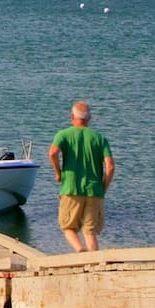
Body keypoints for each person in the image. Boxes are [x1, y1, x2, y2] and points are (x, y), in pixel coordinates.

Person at [49, 101, 115, 252]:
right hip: (94, 190)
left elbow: (53, 152)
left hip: (71, 188)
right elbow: (110, 166)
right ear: (89, 119)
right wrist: (103, 187)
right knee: (90, 232)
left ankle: (79, 250)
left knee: (68, 227)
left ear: (72, 116)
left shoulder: (63, 135)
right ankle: (93, 262)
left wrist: (58, 172)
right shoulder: (100, 138)